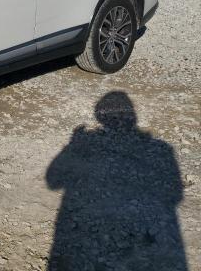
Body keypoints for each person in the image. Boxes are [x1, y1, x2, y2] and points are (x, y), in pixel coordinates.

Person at [46, 91, 187, 270]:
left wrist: (74, 144)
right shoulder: (163, 149)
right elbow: (175, 193)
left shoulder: (162, 149)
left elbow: (53, 181)